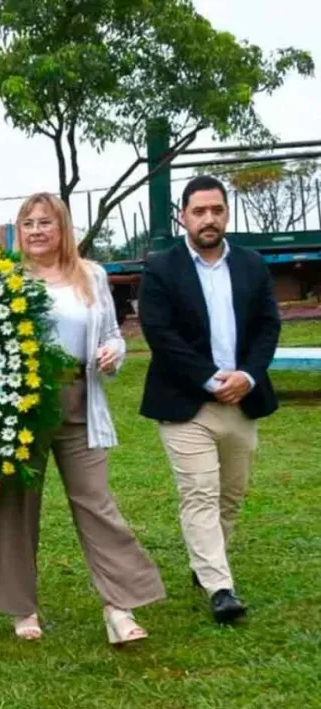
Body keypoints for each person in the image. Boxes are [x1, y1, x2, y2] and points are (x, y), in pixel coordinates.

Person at [0, 193, 165, 645]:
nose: (36, 231)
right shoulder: (5, 279)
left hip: (81, 402)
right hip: (21, 409)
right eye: (28, 223)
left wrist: (113, 351)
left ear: (63, 227)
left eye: (45, 222)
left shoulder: (92, 275)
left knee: (96, 502)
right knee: (14, 504)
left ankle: (119, 606)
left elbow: (113, 334)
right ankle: (21, 607)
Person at [139, 175, 280, 625]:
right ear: (183, 216)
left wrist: (248, 376)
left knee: (230, 496)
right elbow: (159, 333)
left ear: (227, 214)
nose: (209, 219)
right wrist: (206, 379)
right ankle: (221, 588)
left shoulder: (252, 265)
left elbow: (268, 326)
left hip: (242, 399)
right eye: (199, 211)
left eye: (216, 210)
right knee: (200, 491)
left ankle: (205, 564)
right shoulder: (162, 268)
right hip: (186, 404)